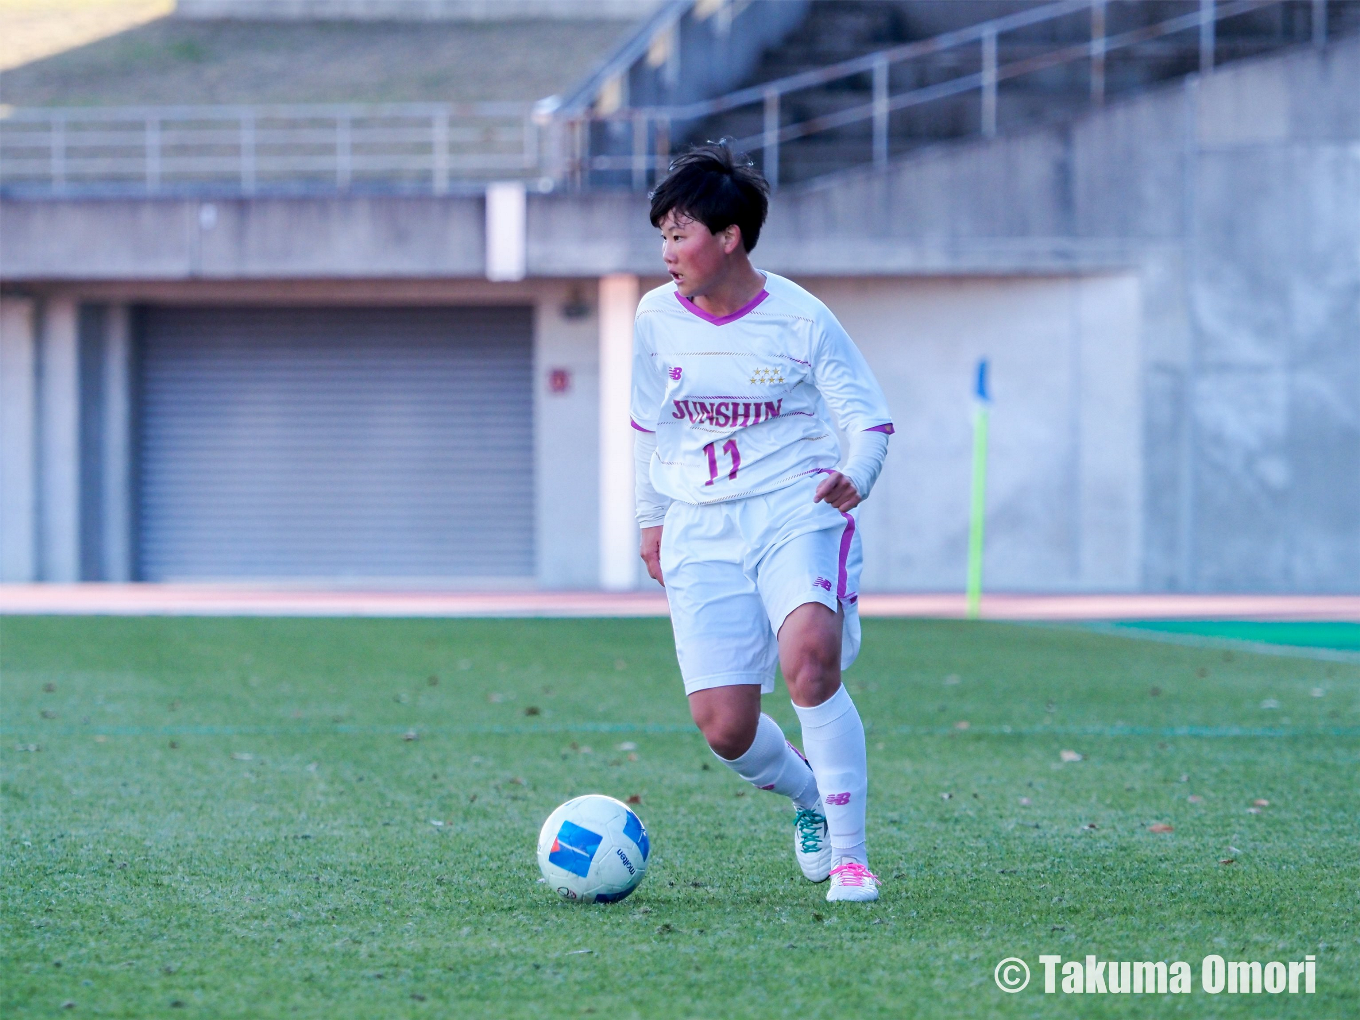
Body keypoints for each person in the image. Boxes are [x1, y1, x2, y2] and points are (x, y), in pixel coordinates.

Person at [631, 142, 894, 902]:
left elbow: (868, 421)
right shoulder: (654, 318)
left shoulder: (802, 319)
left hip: (795, 507)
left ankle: (851, 857)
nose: (667, 252)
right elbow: (649, 427)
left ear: (730, 237)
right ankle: (810, 793)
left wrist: (857, 475)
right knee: (725, 727)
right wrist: (651, 519)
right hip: (698, 522)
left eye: (679, 235)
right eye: (663, 236)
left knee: (810, 661)